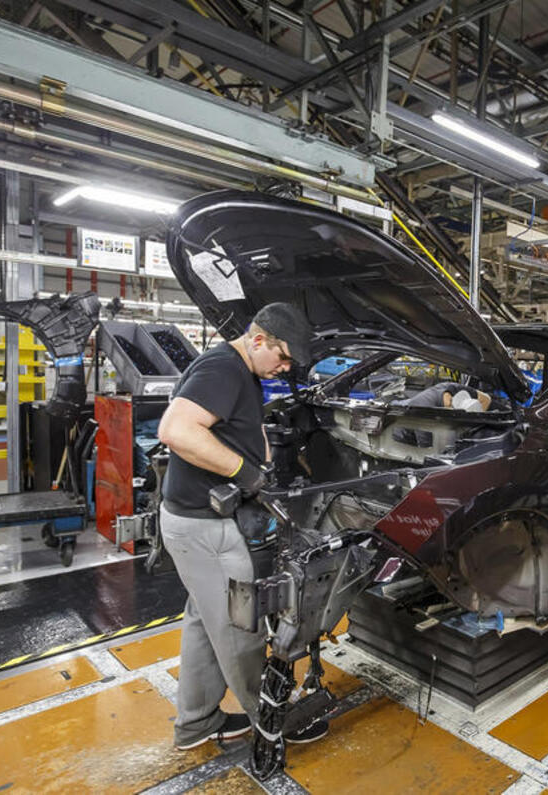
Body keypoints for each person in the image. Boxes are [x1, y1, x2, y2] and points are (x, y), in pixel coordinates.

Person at [157, 302, 314, 750]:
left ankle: (196, 722)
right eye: (282, 358)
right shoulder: (224, 367)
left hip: (194, 521)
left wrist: (262, 457)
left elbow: (237, 428)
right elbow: (177, 430)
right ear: (258, 338)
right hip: (206, 526)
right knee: (240, 628)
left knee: (205, 623)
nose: (283, 369)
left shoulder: (241, 370)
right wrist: (246, 473)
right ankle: (273, 720)